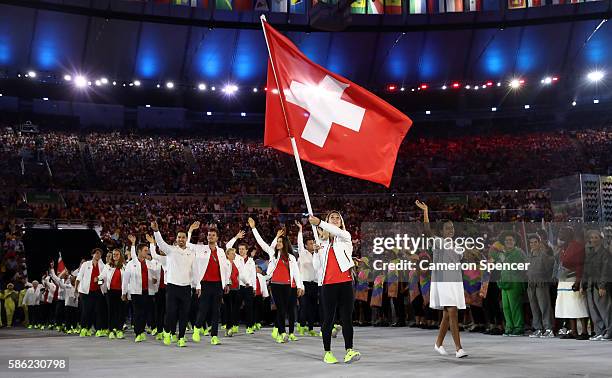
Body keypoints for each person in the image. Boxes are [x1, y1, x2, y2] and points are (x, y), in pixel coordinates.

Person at [416, 200, 467, 358]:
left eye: (452, 227)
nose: (450, 230)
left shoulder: (458, 246)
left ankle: (438, 344)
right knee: (452, 312)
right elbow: (426, 231)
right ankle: (459, 348)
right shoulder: (438, 242)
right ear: (442, 231)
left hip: (455, 282)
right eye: (447, 228)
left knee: (447, 314)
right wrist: (426, 211)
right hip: (442, 282)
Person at [310, 211, 361, 364]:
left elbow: (336, 232)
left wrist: (319, 223)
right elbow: (317, 267)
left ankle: (349, 350)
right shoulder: (322, 244)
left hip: (345, 283)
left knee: (347, 318)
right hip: (327, 285)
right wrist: (315, 252)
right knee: (328, 320)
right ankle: (327, 352)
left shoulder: (345, 237)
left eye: (338, 217)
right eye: (332, 217)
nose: (335, 219)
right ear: (327, 220)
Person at [249, 217, 304, 344]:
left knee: (285, 310)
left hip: (288, 286)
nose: (278, 243)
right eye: (278, 241)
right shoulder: (273, 255)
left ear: (285, 243)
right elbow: (262, 243)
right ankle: (282, 333)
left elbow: (296, 272)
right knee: (280, 309)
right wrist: (253, 228)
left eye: (280, 241)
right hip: (275, 285)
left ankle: (282, 331)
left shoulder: (291, 257)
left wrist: (300, 286)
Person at [152, 221, 196, 347]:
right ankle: (167, 332)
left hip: (186, 288)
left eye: (183, 237)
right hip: (172, 287)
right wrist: (156, 231)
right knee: (171, 313)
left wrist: (197, 285)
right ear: (176, 239)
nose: (181, 239)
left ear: (186, 239)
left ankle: (181, 337)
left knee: (184, 314)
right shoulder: (171, 250)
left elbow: (195, 270)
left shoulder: (191, 253)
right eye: (179, 237)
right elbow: (160, 243)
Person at [188, 221, 230, 346]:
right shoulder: (201, 248)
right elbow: (187, 245)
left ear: (217, 238)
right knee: (203, 309)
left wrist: (226, 283)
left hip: (218, 284)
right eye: (209, 235)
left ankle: (214, 336)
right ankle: (197, 328)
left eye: (213, 235)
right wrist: (190, 231)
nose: (210, 237)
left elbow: (225, 268)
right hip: (205, 284)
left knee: (216, 310)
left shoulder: (222, 251)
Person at [122, 239, 158, 343]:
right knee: (138, 313)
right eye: (145, 250)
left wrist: (154, 280)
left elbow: (153, 276)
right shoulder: (131, 263)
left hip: (148, 292)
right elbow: (125, 279)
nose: (147, 252)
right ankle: (138, 333)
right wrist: (124, 293)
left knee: (145, 313)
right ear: (139, 251)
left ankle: (142, 331)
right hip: (136, 292)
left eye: (147, 250)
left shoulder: (149, 263)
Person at [581, 230, 611, 341]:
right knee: (593, 310)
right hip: (590, 285)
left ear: (601, 239)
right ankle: (599, 331)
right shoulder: (590, 253)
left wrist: (603, 286)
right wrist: (583, 285)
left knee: (604, 309)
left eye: (596, 237)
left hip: (600, 285)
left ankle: (609, 331)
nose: (593, 239)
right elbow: (586, 270)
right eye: (591, 237)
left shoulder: (605, 253)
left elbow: (606, 270)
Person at [227, 230, 257, 335]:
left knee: (249, 308)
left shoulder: (251, 261)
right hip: (238, 287)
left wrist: (254, 288)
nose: (241, 251)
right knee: (235, 307)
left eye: (243, 249)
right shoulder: (236, 258)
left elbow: (254, 275)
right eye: (239, 249)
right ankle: (234, 326)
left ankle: (249, 327)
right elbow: (228, 246)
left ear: (247, 250)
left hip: (248, 287)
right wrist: (236, 237)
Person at [526, 233, 555, 338]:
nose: (533, 244)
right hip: (531, 284)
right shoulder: (528, 256)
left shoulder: (544, 256)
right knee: (534, 307)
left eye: (535, 242)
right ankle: (538, 328)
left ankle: (548, 328)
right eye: (531, 243)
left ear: (539, 243)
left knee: (544, 306)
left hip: (541, 284)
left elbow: (549, 270)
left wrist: (545, 280)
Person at [295, 220, 320, 337]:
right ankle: (301, 325)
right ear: (306, 245)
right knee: (304, 306)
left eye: (313, 243)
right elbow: (299, 243)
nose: (312, 244)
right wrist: (300, 230)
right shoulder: (302, 253)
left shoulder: (317, 255)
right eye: (310, 243)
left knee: (313, 307)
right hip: (304, 283)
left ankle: (310, 328)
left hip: (314, 284)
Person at [75, 248, 106, 337]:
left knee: (97, 311)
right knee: (86, 310)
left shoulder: (102, 266)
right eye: (96, 253)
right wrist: (76, 289)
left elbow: (103, 280)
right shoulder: (86, 264)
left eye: (100, 254)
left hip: (97, 291)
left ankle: (98, 329)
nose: (98, 255)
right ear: (92, 254)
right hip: (85, 292)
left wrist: (98, 281)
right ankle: (84, 329)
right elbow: (79, 277)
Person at [101, 247, 126, 339]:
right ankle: (111, 330)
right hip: (110, 292)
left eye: (117, 254)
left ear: (120, 256)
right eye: (114, 254)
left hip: (121, 292)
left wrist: (125, 293)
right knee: (111, 311)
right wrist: (99, 284)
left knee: (120, 312)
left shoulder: (124, 266)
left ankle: (119, 330)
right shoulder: (108, 266)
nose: (115, 256)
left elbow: (126, 280)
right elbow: (101, 277)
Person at [147, 234, 167, 341]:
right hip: (158, 290)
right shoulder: (155, 261)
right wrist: (152, 243)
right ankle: (159, 331)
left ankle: (169, 331)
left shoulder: (170, 260)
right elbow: (150, 273)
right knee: (159, 311)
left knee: (169, 312)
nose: (162, 251)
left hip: (169, 290)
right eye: (161, 249)